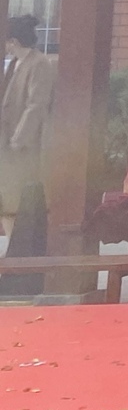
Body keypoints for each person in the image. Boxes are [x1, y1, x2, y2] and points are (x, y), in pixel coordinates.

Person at [0, 15, 55, 260]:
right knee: (7, 200)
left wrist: (18, 139)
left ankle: (20, 253)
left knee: (18, 199)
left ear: (13, 41)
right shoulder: (16, 63)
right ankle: (13, 249)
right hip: (8, 144)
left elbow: (36, 105)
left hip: (24, 147)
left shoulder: (39, 64)